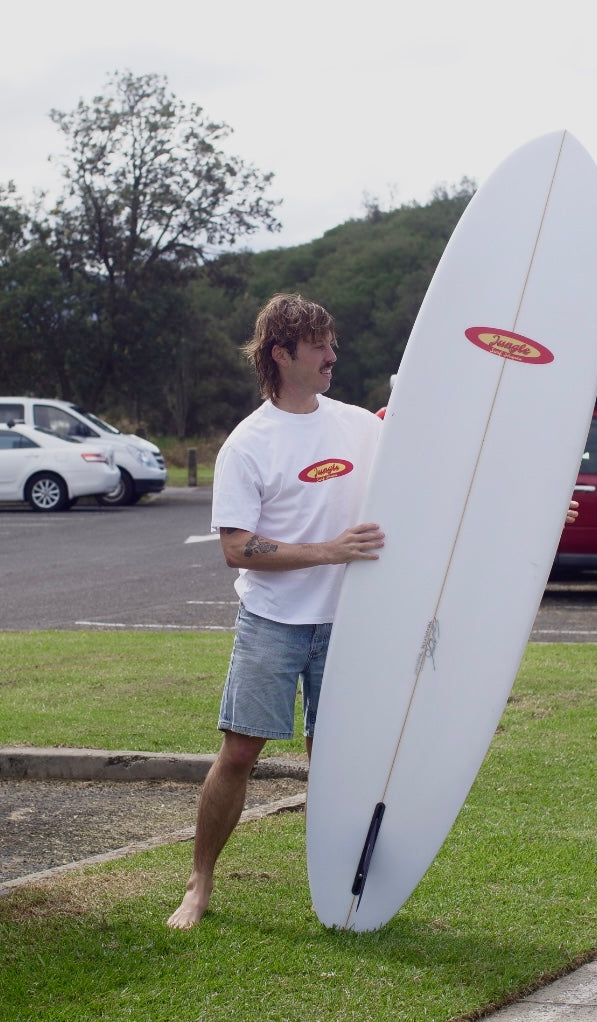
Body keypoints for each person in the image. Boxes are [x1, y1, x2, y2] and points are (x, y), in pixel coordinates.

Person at [166, 293, 384, 930]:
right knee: (238, 755)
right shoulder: (247, 444)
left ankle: (338, 890)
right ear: (280, 354)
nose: (331, 355)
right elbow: (237, 549)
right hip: (272, 624)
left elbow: (433, 475)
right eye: (318, 345)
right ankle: (199, 882)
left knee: (335, 761)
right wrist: (330, 551)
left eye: (331, 342)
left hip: (349, 624)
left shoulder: (360, 426)